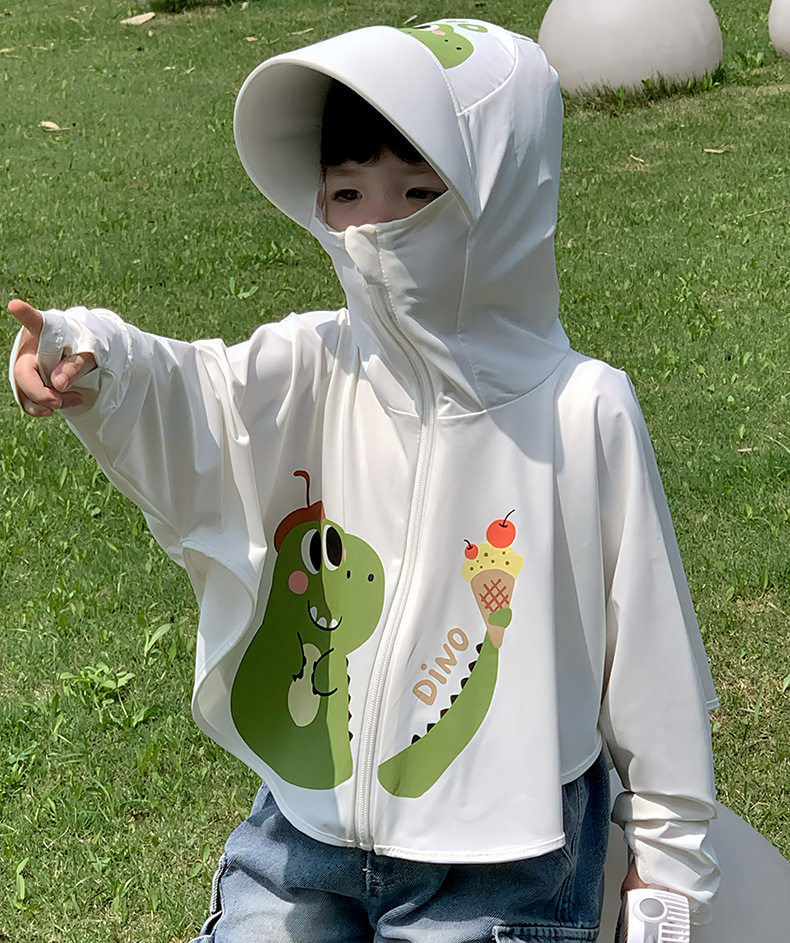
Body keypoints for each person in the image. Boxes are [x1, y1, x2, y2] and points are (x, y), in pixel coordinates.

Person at [8, 18, 720, 943]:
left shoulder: (583, 409)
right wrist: (92, 355)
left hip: (502, 858)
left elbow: (653, 662)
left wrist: (670, 874)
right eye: (347, 192)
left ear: (504, 195)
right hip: (305, 828)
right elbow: (194, 392)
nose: (377, 224)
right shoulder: (313, 360)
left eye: (419, 192)